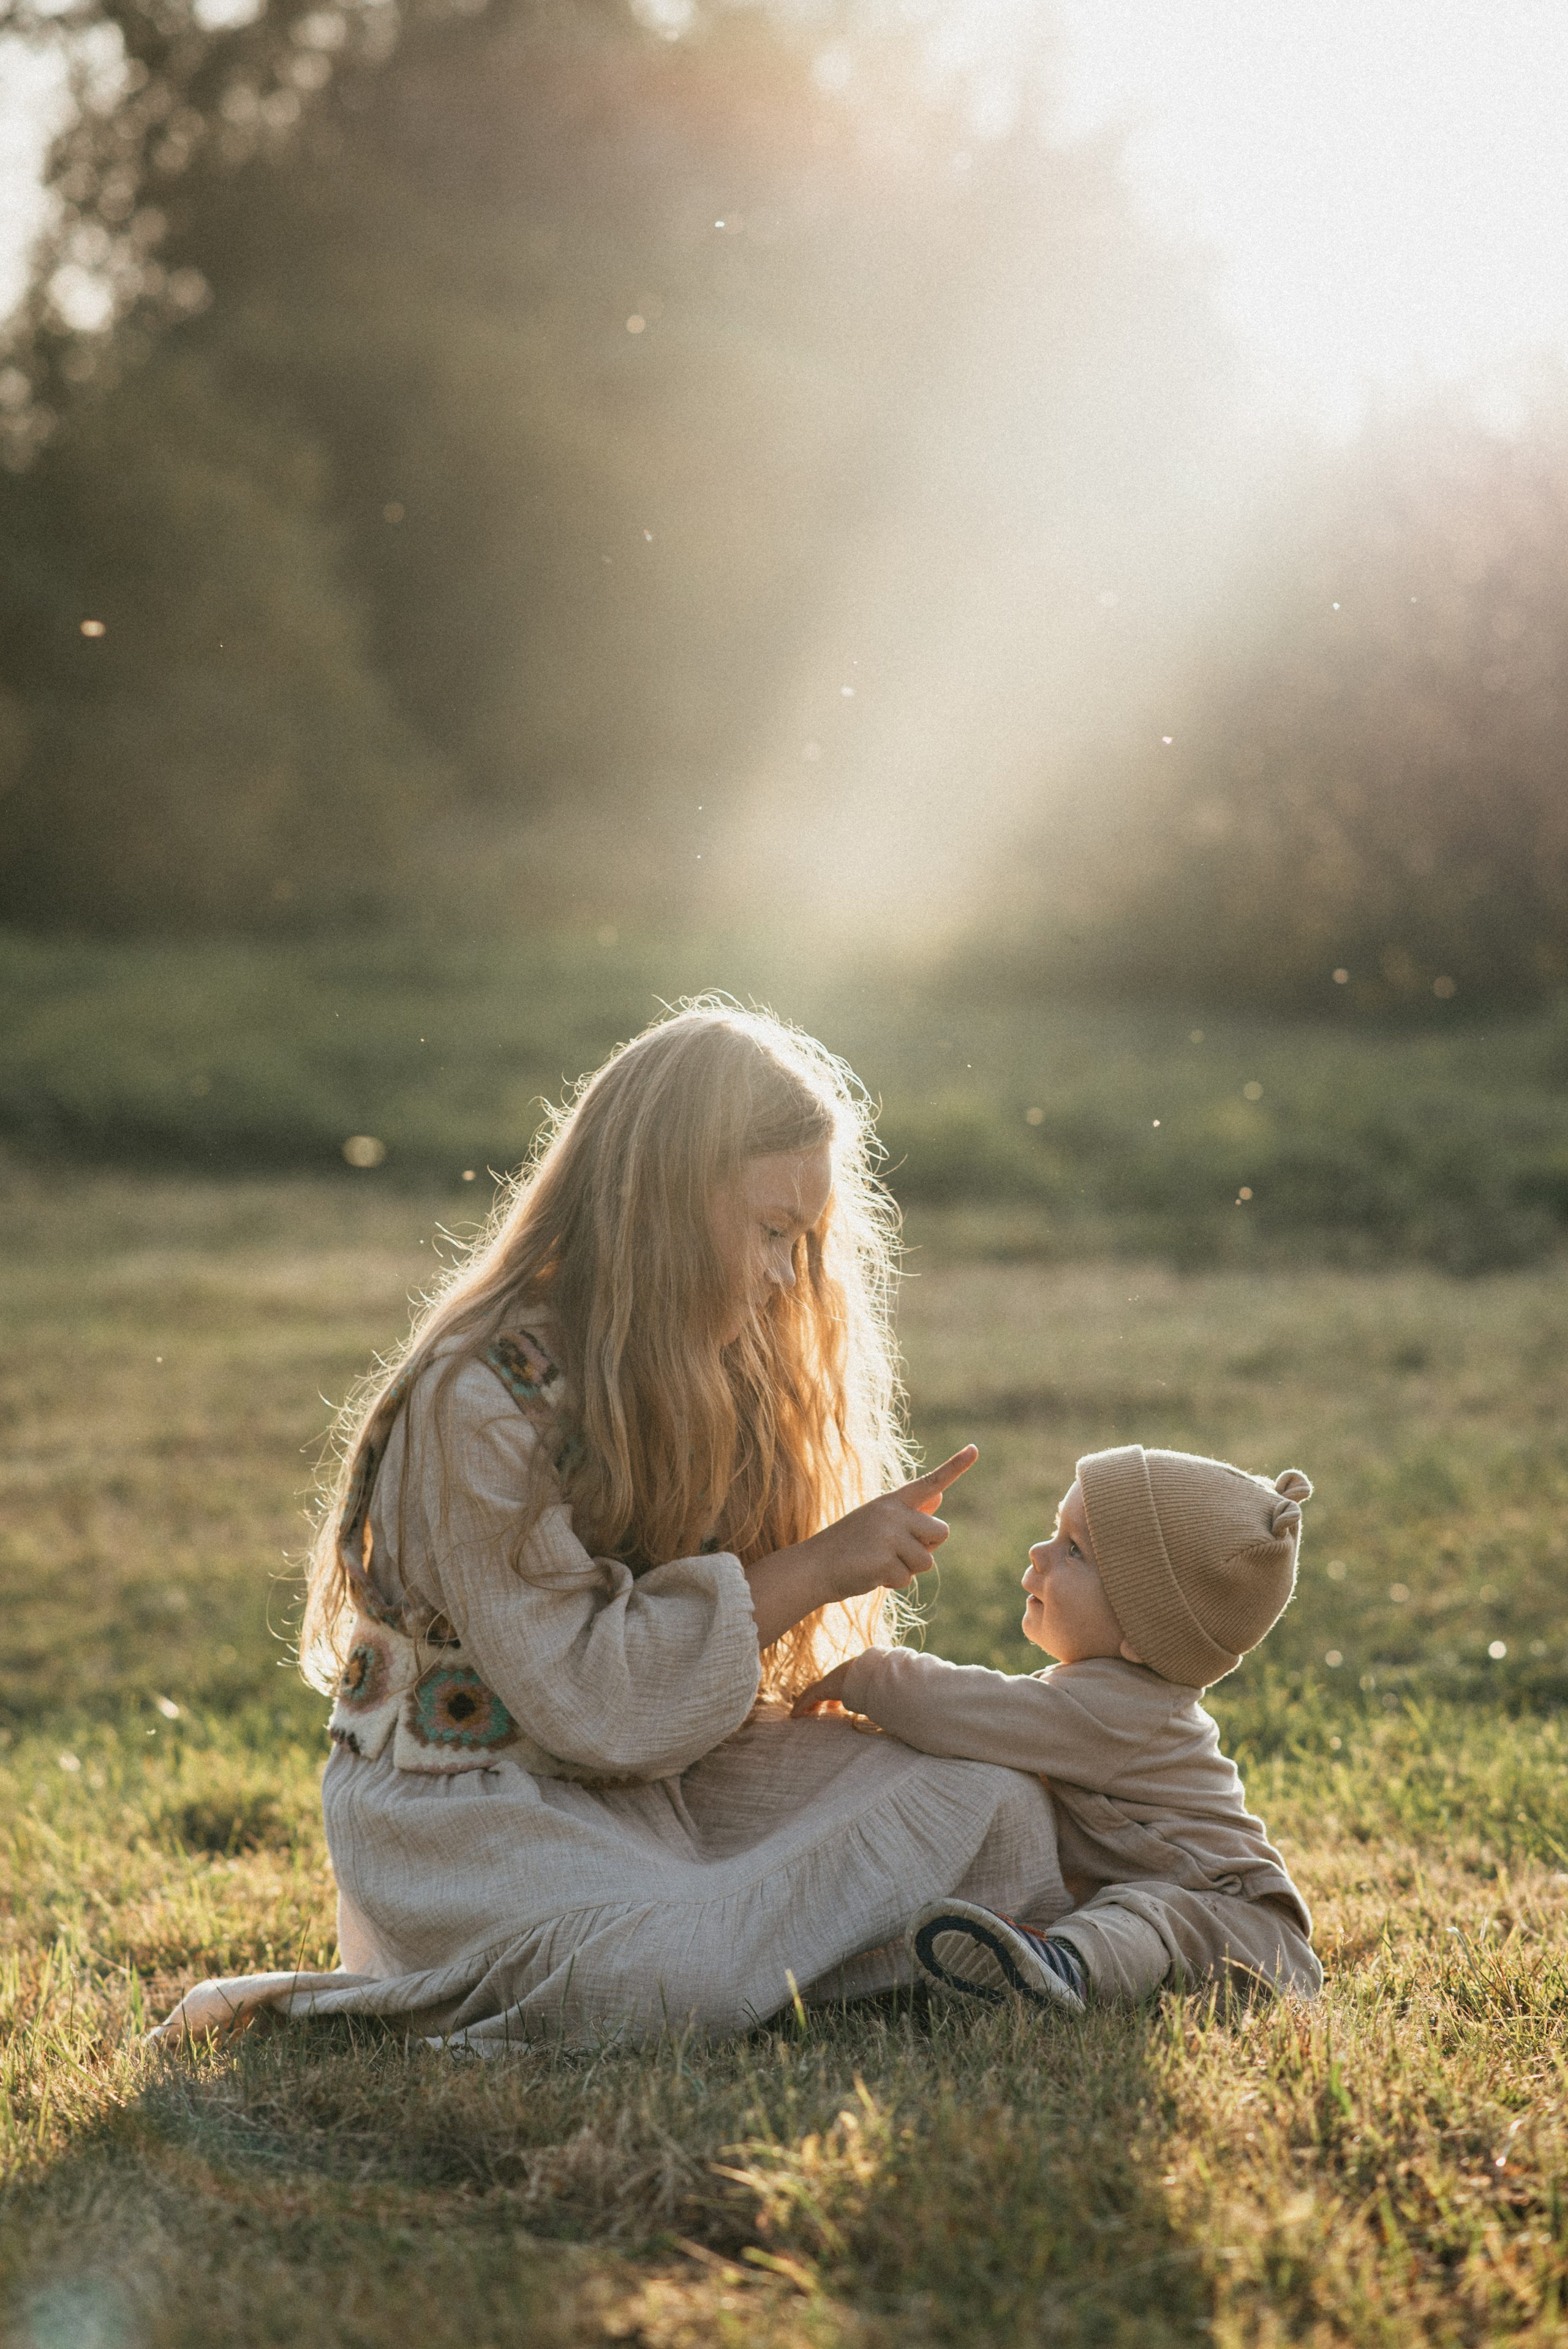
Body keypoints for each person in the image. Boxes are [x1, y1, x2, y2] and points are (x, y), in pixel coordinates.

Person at [153, 1002, 1067, 2046]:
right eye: (771, 1231)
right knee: (670, 1979)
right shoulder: (481, 1396)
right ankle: (335, 2005)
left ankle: (745, 1939)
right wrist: (816, 1569)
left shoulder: (725, 1358)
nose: (784, 1274)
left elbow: (663, 1722)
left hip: (661, 1777)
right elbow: (589, 1698)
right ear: (660, 1206)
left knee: (997, 1809)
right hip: (473, 1812)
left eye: (802, 1241)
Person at [794, 1445, 1322, 2012]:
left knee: (1146, 1916)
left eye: (1074, 1551)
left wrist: (870, 1676)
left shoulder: (1118, 1712)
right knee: (1133, 1909)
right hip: (1196, 1906)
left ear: (1142, 1634)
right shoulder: (1104, 1692)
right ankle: (1043, 1958)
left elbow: (973, 1710)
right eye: (1056, 1530)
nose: (1040, 1553)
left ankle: (1062, 1968)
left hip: (1244, 1924)